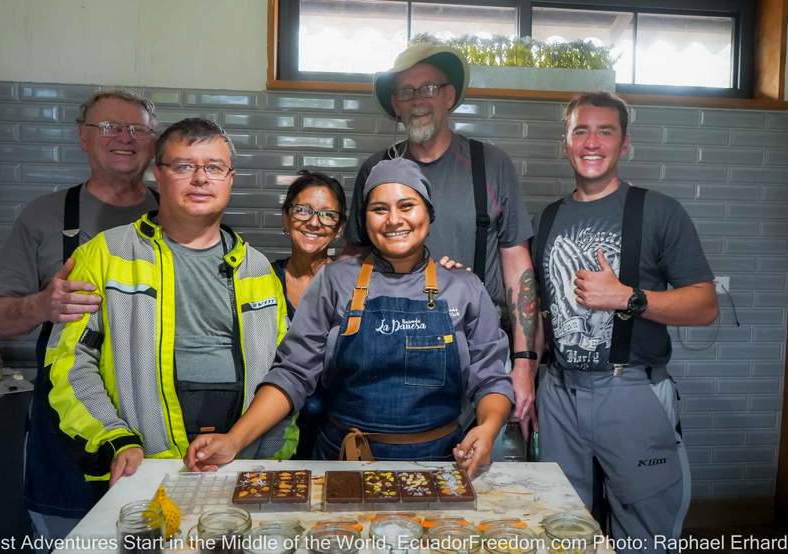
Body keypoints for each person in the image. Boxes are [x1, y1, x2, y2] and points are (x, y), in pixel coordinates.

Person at [186, 157, 514, 478]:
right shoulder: (336, 281)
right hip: (344, 462)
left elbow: (491, 378)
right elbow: (293, 373)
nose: (393, 220)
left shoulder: (464, 287)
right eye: (379, 209)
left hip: (439, 464)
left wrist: (488, 427)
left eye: (407, 206)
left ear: (428, 213)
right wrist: (235, 439)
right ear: (365, 219)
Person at [46, 118, 296, 490]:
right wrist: (115, 439)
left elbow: (282, 371)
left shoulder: (257, 268)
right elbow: (70, 364)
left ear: (231, 179)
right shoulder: (106, 255)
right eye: (183, 166)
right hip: (142, 467)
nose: (200, 178)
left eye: (214, 167)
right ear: (157, 175)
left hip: (246, 464)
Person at [532, 92, 718, 551]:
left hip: (630, 392)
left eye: (604, 131)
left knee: (646, 533)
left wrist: (627, 298)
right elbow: (542, 309)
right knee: (563, 526)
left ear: (625, 143)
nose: (591, 142)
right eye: (581, 131)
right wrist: (528, 380)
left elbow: (705, 305)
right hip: (558, 394)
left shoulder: (658, 211)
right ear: (566, 142)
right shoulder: (549, 217)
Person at [0, 90, 159, 538]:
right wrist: (43, 304)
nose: (125, 138)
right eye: (110, 127)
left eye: (137, 129)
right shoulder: (44, 215)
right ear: (83, 137)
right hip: (67, 427)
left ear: (153, 142)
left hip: (156, 427)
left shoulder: (178, 215)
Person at [343, 43, 537, 436]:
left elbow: (519, 270)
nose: (417, 101)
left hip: (481, 354)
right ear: (395, 105)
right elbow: (354, 262)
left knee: (481, 476)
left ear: (449, 96)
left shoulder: (491, 166)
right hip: (394, 353)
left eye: (428, 88)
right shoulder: (377, 171)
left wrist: (523, 362)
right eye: (405, 92)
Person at [271, 170, 347, 458]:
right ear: (285, 218)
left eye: (328, 215)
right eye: (303, 210)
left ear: (339, 229)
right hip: (276, 426)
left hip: (337, 432)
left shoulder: (353, 283)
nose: (314, 222)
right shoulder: (262, 279)